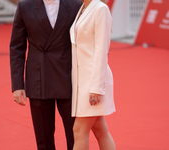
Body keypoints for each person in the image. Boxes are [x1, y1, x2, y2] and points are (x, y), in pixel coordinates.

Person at [9, 0, 82, 149]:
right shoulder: (25, 6)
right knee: (43, 140)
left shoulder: (75, 5)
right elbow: (17, 47)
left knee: (76, 136)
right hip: (38, 79)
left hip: (69, 79)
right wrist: (17, 85)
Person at [70, 0, 116, 149]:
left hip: (93, 81)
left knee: (79, 130)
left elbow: (102, 50)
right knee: (99, 129)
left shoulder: (100, 9)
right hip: (81, 81)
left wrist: (96, 87)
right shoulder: (83, 8)